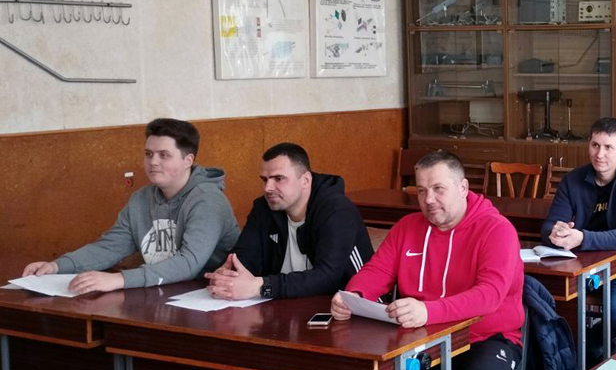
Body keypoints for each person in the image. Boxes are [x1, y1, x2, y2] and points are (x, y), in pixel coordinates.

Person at [330, 150, 524, 370]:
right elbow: (377, 270)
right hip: (421, 338)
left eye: (438, 189)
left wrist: (428, 311)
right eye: (421, 191)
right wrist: (353, 296)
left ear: (463, 188)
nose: (429, 199)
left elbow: (489, 295)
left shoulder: (497, 230)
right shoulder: (407, 227)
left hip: (484, 338)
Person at [22, 119, 239, 294]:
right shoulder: (141, 199)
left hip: (209, 295)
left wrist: (119, 279)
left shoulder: (208, 200)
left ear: (188, 160)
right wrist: (57, 266)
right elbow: (110, 247)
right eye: (148, 154)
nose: (153, 162)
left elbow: (189, 263)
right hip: (161, 290)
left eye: (164, 155)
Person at [541, 117, 616, 362]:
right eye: (595, 145)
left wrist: (581, 237)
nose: (599, 154)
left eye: (608, 147)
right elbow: (549, 224)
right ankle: (569, 351)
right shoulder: (573, 180)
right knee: (551, 300)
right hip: (583, 263)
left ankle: (586, 348)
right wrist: (556, 232)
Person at [205, 143, 373, 300]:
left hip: (344, 306)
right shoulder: (264, 207)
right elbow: (244, 258)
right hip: (286, 305)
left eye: (278, 179)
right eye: (264, 179)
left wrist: (262, 287)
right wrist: (227, 276)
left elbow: (328, 277)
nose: (268, 188)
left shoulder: (336, 211)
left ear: (306, 180)